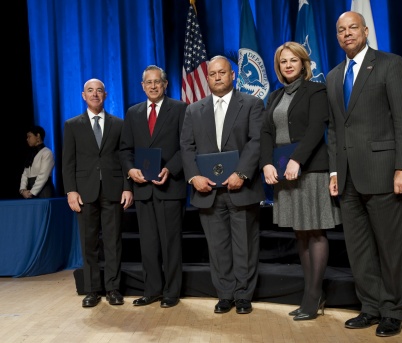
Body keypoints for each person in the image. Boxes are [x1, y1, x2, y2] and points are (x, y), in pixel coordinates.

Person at [327, 11, 402, 337]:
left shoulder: (390, 64)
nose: (347, 33)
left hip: (383, 172)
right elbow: (336, 129)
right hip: (348, 176)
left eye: (353, 27)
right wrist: (335, 171)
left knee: (390, 247)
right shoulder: (334, 76)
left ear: (365, 31)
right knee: (359, 247)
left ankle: (394, 310)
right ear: (337, 37)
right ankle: (371, 306)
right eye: (341, 30)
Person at [259, 42, 341, 321]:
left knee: (315, 231)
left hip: (310, 171)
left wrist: (298, 159)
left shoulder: (317, 90)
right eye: (283, 62)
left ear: (304, 63)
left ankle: (313, 296)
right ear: (278, 67)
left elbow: (317, 128)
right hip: (283, 173)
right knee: (300, 233)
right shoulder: (274, 97)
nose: (289, 65)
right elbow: (266, 134)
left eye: (294, 60)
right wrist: (266, 163)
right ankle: (311, 294)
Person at [180, 55, 265, 315]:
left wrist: (242, 173)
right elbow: (186, 146)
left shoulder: (251, 104)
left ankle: (243, 296)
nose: (217, 77)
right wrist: (194, 176)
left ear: (233, 76)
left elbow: (256, 141)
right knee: (217, 247)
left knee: (245, 245)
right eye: (213, 74)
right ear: (207, 78)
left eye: (222, 73)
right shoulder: (193, 110)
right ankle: (225, 294)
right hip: (207, 191)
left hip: (242, 188)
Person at [120, 65, 187, 309]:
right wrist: (130, 170)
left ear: (165, 84)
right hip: (143, 189)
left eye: (157, 81)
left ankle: (172, 291)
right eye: (148, 82)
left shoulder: (180, 108)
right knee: (148, 244)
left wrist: (170, 169)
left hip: (169, 187)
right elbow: (125, 149)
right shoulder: (133, 112)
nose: (153, 85)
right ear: (142, 86)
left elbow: (186, 147)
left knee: (170, 243)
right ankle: (152, 290)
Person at [62, 78, 133, 308]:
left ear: (106, 95)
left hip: (113, 191)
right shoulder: (72, 125)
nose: (95, 94)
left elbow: (124, 159)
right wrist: (71, 191)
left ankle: (113, 288)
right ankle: (92, 290)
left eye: (99, 90)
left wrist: (127, 187)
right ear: (83, 96)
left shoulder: (119, 124)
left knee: (113, 242)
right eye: (90, 91)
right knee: (88, 241)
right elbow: (68, 162)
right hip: (84, 192)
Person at [19, 125, 56, 198]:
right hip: (31, 191)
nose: (27, 139)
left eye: (29, 137)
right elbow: (25, 173)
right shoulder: (31, 154)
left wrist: (32, 192)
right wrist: (23, 190)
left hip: (43, 190)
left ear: (38, 136)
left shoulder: (47, 153)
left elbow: (43, 175)